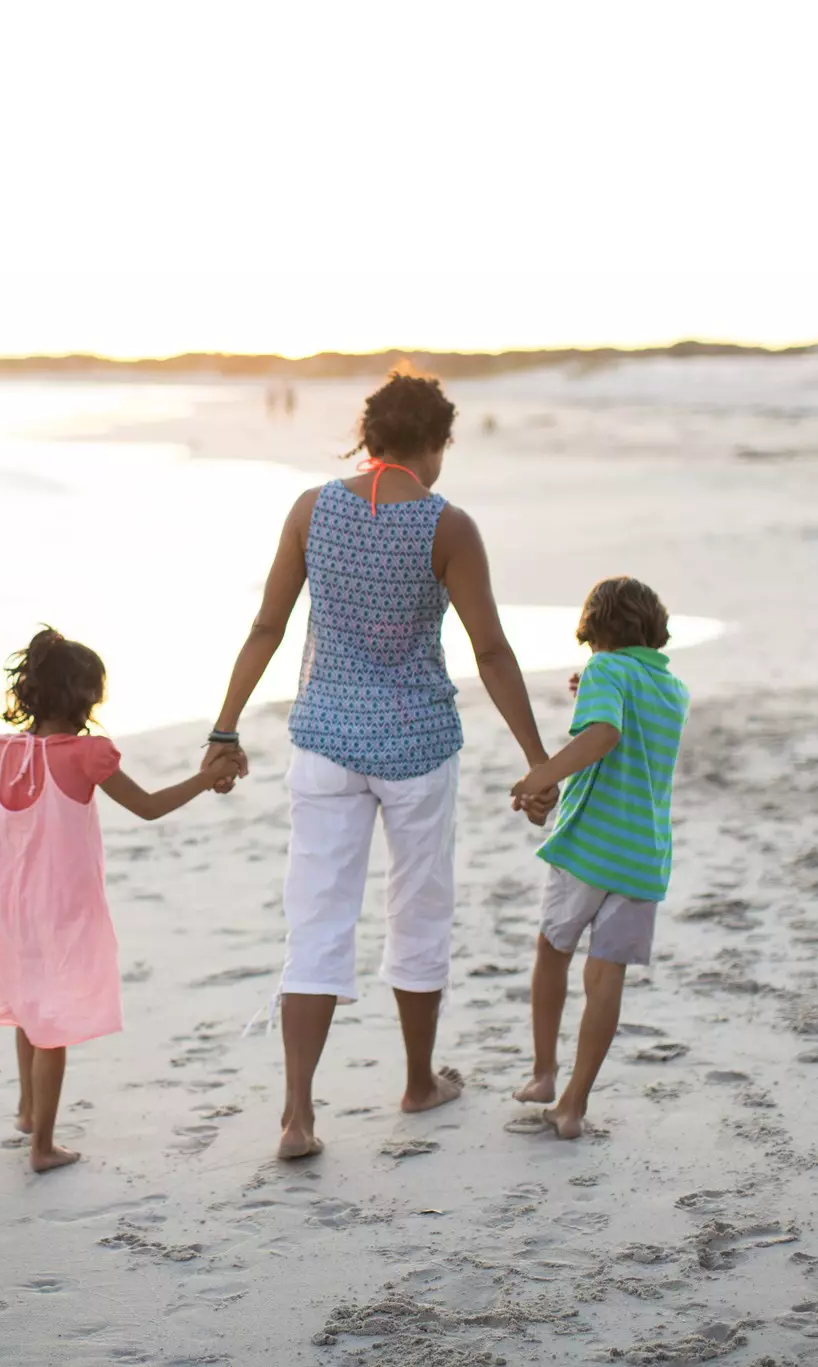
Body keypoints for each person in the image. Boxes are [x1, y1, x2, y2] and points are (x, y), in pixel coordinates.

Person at [205, 370, 559, 1160]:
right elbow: (491, 650)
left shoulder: (312, 509)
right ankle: (418, 1079)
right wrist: (538, 760)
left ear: (368, 439)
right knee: (419, 910)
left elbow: (267, 625)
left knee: (318, 921)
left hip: (325, 741)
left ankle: (298, 1113)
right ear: (435, 445)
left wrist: (224, 727)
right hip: (417, 747)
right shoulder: (448, 525)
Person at [0, 629, 242, 1171]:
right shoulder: (89, 754)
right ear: (84, 699)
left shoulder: (0, 751)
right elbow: (147, 806)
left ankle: (27, 1109)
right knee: (52, 1026)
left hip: (7, 907)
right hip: (62, 908)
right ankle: (43, 1146)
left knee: (28, 1008)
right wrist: (204, 778)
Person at [508, 577, 689, 1139]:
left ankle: (542, 1073)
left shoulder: (606, 672)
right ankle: (573, 1105)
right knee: (605, 974)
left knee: (553, 947)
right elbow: (627, 716)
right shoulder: (673, 689)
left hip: (590, 847)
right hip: (643, 856)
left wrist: (543, 774)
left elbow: (606, 733)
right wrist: (589, 683)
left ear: (596, 631)